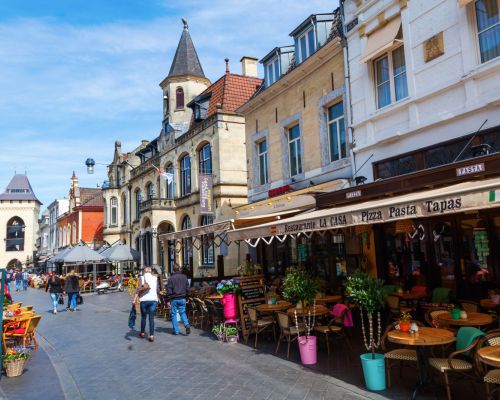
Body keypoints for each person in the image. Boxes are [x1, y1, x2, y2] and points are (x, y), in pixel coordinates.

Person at [167, 264, 191, 336]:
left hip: (174, 298)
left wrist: (168, 300)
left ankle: (176, 331)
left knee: (174, 314)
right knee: (182, 312)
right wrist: (187, 297)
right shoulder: (184, 277)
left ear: (173, 270)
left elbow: (169, 290)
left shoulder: (171, 278)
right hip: (183, 298)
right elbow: (187, 289)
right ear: (179, 269)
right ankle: (186, 324)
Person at [135, 267, 158, 342]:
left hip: (144, 300)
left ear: (144, 271)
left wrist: (135, 299)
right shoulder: (155, 278)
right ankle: (151, 335)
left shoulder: (141, 277)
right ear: (151, 271)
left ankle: (142, 333)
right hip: (153, 300)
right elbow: (157, 289)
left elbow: (138, 289)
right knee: (151, 318)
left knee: (143, 317)